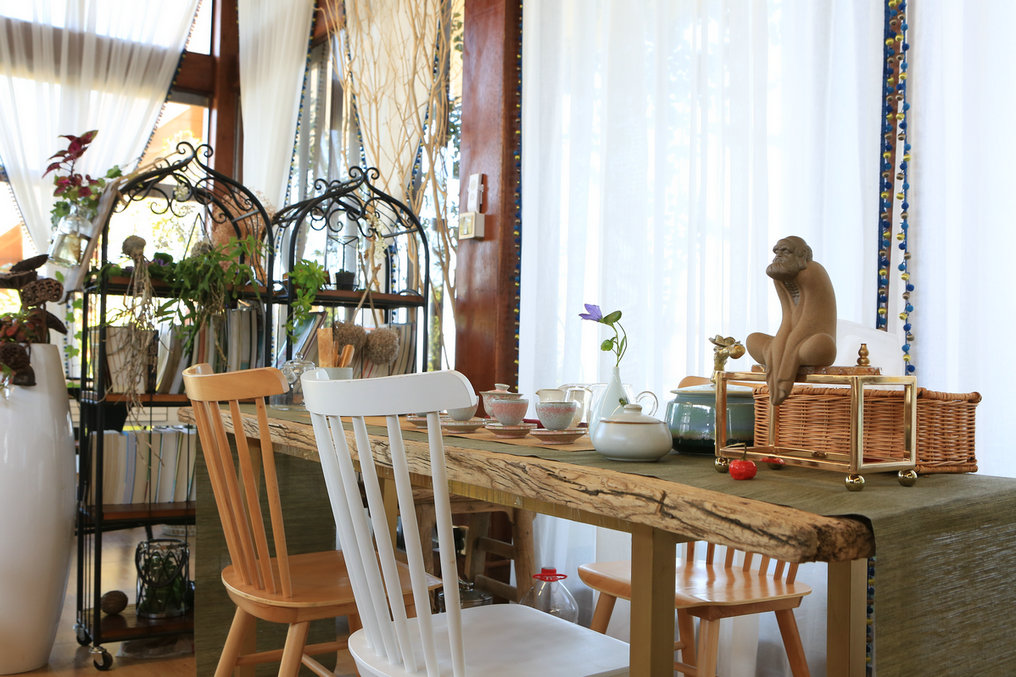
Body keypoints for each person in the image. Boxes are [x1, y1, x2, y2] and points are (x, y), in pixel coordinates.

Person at [746, 236, 836, 405]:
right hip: (796, 342)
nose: (778, 255)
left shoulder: (812, 271)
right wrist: (778, 350)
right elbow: (787, 319)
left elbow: (808, 324)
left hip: (813, 342)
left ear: (801, 255)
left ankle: (779, 358)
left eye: (785, 251)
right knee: (753, 339)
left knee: (820, 344)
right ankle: (776, 355)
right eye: (776, 251)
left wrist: (784, 374)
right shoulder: (780, 277)